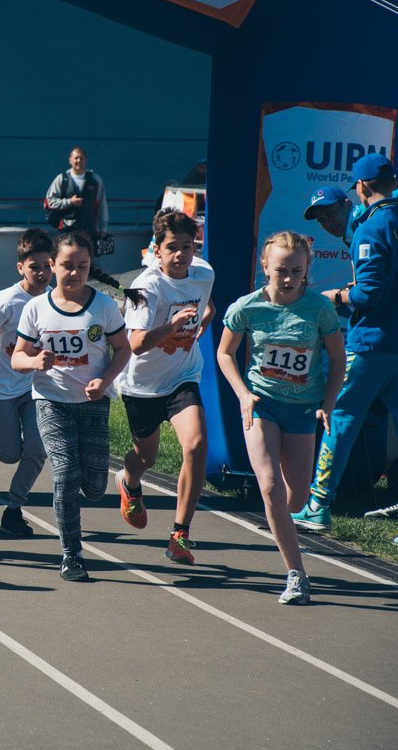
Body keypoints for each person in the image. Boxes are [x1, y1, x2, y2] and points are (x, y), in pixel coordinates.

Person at [292, 153, 398, 551]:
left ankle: (318, 505)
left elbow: (368, 294)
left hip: (371, 347)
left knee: (339, 419)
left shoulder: (371, 229)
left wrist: (335, 296)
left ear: (361, 188)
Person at [217, 231, 345, 604]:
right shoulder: (247, 307)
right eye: (280, 271)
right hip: (263, 404)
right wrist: (243, 394)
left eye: (296, 271)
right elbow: (225, 354)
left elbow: (337, 359)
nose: (288, 279)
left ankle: (279, 519)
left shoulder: (319, 309)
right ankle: (297, 575)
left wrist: (328, 402)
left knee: (295, 497)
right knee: (270, 485)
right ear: (265, 268)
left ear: (307, 269)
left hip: (303, 408)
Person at [12, 230, 129, 581]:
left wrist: (104, 380)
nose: (75, 273)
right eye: (67, 266)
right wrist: (35, 363)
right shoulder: (36, 308)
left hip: (93, 403)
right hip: (51, 401)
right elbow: (18, 357)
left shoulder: (104, 306)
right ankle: (71, 555)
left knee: (94, 488)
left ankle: (121, 480)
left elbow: (123, 349)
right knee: (64, 475)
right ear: (52, 265)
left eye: (83, 265)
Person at [115, 209, 216, 565]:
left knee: (197, 444)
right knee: (146, 457)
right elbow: (137, 342)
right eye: (172, 247)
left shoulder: (204, 274)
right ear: (156, 250)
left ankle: (180, 535)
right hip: (141, 384)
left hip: (182, 378)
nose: (180, 255)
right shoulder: (145, 287)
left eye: (187, 247)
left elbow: (209, 305)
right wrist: (172, 328)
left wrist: (202, 322)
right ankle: (129, 482)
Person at [0, 228, 52, 537]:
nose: (43, 273)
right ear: (20, 267)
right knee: (9, 454)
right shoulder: (6, 302)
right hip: (0, 386)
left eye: (48, 266)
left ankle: (13, 510)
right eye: (35, 267)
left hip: (34, 389)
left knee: (37, 449)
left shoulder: (52, 302)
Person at [44, 146, 109, 247]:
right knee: (67, 260)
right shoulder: (62, 179)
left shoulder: (95, 180)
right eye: (76, 158)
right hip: (66, 232)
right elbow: (49, 201)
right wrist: (70, 202)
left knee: (88, 261)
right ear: (70, 160)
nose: (79, 160)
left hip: (89, 231)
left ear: (86, 160)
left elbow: (102, 205)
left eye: (81, 158)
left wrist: (103, 229)